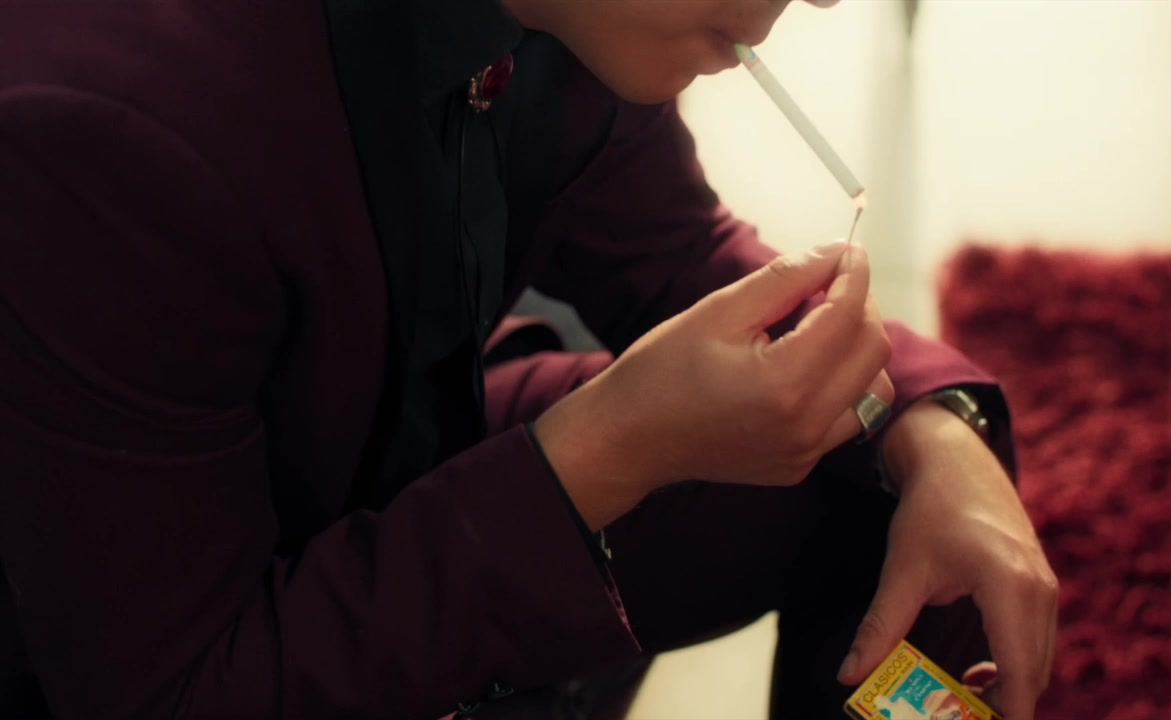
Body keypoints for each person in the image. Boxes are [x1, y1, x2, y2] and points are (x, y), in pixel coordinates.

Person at [0, 0, 1058, 718]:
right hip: (186, 636)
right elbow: (172, 688)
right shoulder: (103, 131)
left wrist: (935, 427)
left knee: (889, 484)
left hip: (383, 477)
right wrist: (602, 456)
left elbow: (674, 245)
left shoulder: (561, 19)